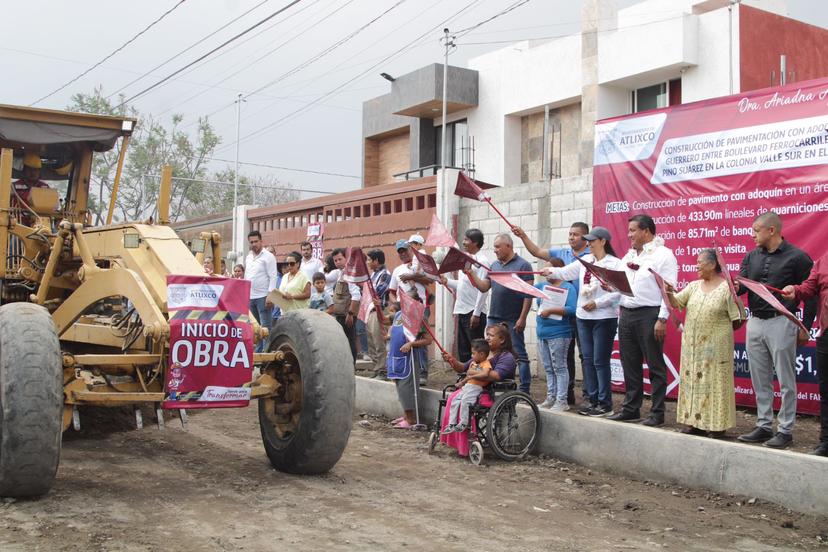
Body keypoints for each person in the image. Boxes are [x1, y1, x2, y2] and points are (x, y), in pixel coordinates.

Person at [736, 211, 815, 449]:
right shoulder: (751, 257)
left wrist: (806, 326)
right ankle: (763, 425)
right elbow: (742, 288)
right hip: (756, 321)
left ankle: (785, 429)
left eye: (756, 230)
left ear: (772, 230)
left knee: (786, 378)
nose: (752, 235)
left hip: (782, 321)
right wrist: (736, 285)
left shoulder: (798, 257)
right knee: (759, 376)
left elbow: (810, 294)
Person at [543, 227, 622, 417]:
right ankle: (592, 399)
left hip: (604, 317)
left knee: (600, 361)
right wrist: (550, 270)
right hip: (583, 317)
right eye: (588, 240)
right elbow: (565, 273)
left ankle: (605, 403)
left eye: (592, 240)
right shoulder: (585, 260)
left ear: (603, 241)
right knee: (587, 360)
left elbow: (619, 290)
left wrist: (598, 302)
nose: (589, 244)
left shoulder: (615, 263)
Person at [608, 214, 678, 427]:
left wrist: (662, 319)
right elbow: (618, 282)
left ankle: (657, 413)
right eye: (628, 231)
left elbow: (669, 290)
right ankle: (631, 408)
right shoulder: (629, 255)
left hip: (650, 315)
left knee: (655, 365)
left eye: (633, 231)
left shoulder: (663, 255)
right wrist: (609, 286)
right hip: (627, 314)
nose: (629, 235)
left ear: (646, 231)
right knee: (629, 364)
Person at [666, 249, 742, 437]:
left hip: (716, 346)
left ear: (713, 265)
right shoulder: (693, 286)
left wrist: (718, 335)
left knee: (715, 384)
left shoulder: (727, 288)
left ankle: (717, 426)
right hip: (692, 346)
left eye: (700, 262)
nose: (696, 265)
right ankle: (695, 423)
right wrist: (668, 293)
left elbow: (738, 319)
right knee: (694, 382)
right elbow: (676, 303)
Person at [514, 222, 591, 404]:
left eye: (576, 235)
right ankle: (566, 395)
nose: (571, 237)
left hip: (583, 311)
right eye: (570, 234)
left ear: (586, 238)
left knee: (585, 355)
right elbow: (537, 252)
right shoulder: (562, 252)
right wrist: (523, 235)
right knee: (564, 356)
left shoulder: (591, 256)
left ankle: (588, 396)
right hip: (559, 320)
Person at [464, 233, 534, 393]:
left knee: (519, 353)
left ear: (508, 246)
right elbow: (483, 287)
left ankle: (524, 389)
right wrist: (471, 273)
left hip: (513, 318)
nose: (494, 250)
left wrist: (522, 318)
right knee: (490, 351)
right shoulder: (494, 266)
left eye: (497, 247)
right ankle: (490, 383)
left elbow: (529, 294)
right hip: (494, 316)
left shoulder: (523, 266)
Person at [439, 324, 518, 455]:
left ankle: (465, 440)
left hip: (493, 393)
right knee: (453, 398)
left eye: (491, 335)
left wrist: (474, 371)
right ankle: (454, 436)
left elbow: (497, 375)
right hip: (476, 388)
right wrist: (451, 360)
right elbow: (463, 368)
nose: (487, 338)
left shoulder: (507, 357)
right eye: (487, 335)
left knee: (465, 401)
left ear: (502, 339)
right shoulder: (483, 354)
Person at [782, 253, 828, 456]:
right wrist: (795, 290)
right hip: (826, 332)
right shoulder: (824, 259)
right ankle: (826, 441)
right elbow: (809, 288)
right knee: (826, 389)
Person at [440, 228, 490, 363]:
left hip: (472, 313)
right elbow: (463, 285)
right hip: (462, 311)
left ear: (476, 242)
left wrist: (477, 313)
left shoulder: (482, 261)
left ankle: (478, 380)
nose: (463, 242)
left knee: (476, 352)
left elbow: (483, 289)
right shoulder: (466, 260)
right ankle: (464, 378)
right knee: (464, 350)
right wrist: (447, 281)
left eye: (467, 240)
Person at [386, 288, 432, 429]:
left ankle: (411, 419)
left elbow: (428, 340)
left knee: (407, 388)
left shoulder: (420, 317)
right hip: (396, 357)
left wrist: (412, 343)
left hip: (410, 359)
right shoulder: (399, 314)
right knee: (399, 387)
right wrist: (376, 305)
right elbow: (384, 321)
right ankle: (406, 415)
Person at [535, 258, 577, 411]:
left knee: (559, 367)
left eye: (549, 269)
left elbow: (572, 309)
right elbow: (526, 292)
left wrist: (552, 311)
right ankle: (550, 397)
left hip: (559, 333)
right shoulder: (542, 286)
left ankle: (562, 400)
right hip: (542, 333)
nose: (545, 273)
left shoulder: (568, 288)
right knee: (548, 367)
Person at [442, 339, 492, 433]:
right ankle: (452, 424)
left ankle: (463, 423)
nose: (471, 356)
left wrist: (472, 374)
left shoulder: (486, 364)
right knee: (455, 400)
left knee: (465, 401)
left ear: (481, 354)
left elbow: (485, 374)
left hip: (476, 388)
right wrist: (462, 382)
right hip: (468, 386)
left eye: (473, 354)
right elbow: (468, 376)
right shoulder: (473, 363)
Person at [244, 230, 278, 353]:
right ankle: (258, 352)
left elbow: (273, 276)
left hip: (263, 296)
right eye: (251, 242)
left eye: (256, 241)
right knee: (255, 327)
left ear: (261, 241)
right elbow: (247, 275)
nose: (254, 244)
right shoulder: (248, 257)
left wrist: (270, 296)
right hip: (251, 296)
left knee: (266, 327)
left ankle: (268, 352)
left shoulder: (268, 256)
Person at [327, 247, 361, 362]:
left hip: (347, 315)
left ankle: (351, 365)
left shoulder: (350, 273)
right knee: (343, 340)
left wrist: (350, 314)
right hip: (340, 314)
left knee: (350, 340)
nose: (337, 262)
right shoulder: (339, 272)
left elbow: (356, 295)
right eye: (335, 260)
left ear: (346, 258)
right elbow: (325, 278)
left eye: (340, 259)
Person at [366, 249, 392, 379]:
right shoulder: (373, 275)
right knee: (371, 340)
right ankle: (376, 367)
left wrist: (368, 290)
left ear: (376, 260)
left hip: (380, 310)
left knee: (379, 340)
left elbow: (378, 291)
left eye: (369, 259)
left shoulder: (385, 274)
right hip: (371, 310)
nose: (368, 262)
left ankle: (382, 370)